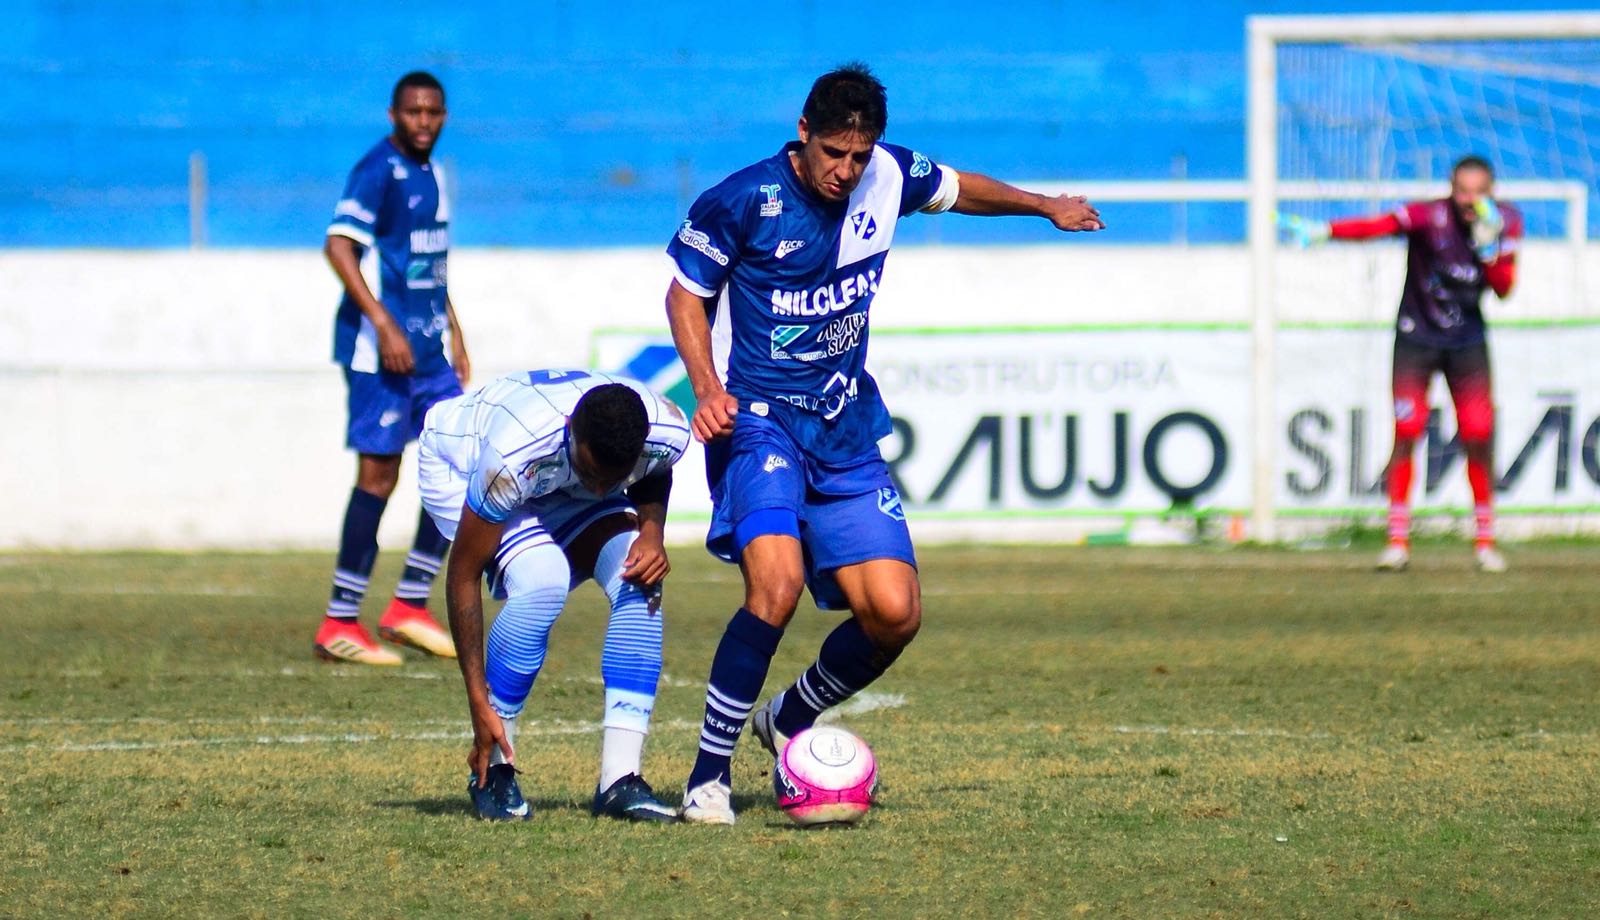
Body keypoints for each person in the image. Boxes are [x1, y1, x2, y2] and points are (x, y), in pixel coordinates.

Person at [663, 63, 1105, 824]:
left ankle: (788, 718)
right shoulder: (744, 198)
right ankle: (708, 775)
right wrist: (707, 389)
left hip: (845, 428)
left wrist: (1043, 206)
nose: (845, 171)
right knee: (775, 588)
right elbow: (685, 294)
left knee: (896, 613)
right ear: (803, 134)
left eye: (859, 157)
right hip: (763, 422)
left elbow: (961, 188)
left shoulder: (888, 175)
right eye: (833, 152)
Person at [421, 369, 690, 822]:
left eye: (613, 480)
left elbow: (653, 473)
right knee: (542, 579)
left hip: (557, 476)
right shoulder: (510, 457)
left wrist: (651, 531)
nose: (603, 492)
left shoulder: (666, 429)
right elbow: (462, 575)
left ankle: (620, 779)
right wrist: (476, 701)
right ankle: (494, 769)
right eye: (593, 474)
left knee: (640, 578)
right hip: (459, 464)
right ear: (571, 430)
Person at [1278, 156, 1521, 573]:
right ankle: (1397, 541)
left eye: (1478, 193)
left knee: (1478, 433)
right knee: (1408, 429)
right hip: (1416, 338)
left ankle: (1484, 541)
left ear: (1491, 193)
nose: (1469, 200)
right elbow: (1379, 227)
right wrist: (1325, 232)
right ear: (1451, 189)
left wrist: (1489, 249)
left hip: (1467, 343)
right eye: (1462, 191)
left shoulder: (1506, 223)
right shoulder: (1428, 216)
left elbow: (1503, 290)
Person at [315, 71, 471, 665]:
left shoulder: (436, 174)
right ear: (393, 115)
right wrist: (383, 325)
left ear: (444, 116)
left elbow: (427, 265)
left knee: (456, 461)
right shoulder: (377, 169)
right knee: (379, 476)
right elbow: (339, 245)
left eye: (433, 111)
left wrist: (455, 327)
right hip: (379, 354)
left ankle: (409, 606)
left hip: (430, 351)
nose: (423, 121)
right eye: (413, 112)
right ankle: (340, 621)